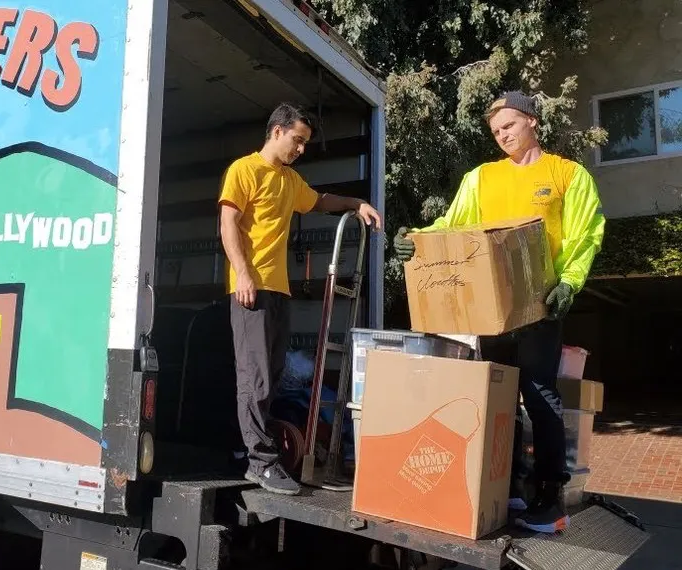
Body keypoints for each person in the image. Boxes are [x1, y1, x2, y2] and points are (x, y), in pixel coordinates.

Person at [393, 90, 605, 533]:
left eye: (509, 125)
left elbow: (586, 234)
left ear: (532, 121)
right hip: (490, 311)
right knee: (497, 396)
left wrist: (568, 283)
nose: (502, 135)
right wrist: (417, 235)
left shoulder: (568, 175)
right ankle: (504, 486)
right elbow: (454, 223)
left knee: (540, 394)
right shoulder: (482, 178)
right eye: (495, 131)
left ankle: (551, 497)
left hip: (540, 306)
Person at [218, 102, 382, 495]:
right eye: (298, 140)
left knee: (271, 375)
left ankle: (251, 453)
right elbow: (228, 223)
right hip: (250, 289)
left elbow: (320, 201)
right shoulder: (244, 170)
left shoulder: (289, 181)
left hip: (279, 290)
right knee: (254, 378)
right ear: (277, 132)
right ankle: (260, 462)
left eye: (305, 143)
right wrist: (242, 273)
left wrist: (356, 204)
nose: (301, 149)